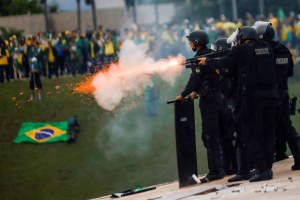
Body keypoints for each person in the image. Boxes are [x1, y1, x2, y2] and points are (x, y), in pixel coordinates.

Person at [198, 26, 278, 182]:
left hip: (254, 97)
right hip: (271, 95)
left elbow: (224, 62)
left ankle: (263, 170)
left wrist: (208, 61)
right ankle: (266, 167)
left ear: (242, 37)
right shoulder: (266, 47)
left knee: (249, 134)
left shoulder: (241, 50)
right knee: (268, 133)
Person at [176, 30, 225, 183]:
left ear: (197, 42)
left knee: (210, 137)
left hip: (209, 101)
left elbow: (195, 80)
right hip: (219, 99)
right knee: (220, 135)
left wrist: (183, 94)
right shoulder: (210, 54)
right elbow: (207, 77)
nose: (190, 43)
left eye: (191, 41)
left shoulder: (200, 58)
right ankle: (222, 168)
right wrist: (195, 92)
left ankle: (215, 172)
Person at [253, 21, 300, 170]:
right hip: (283, 93)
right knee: (287, 127)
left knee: (266, 129)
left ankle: (264, 167)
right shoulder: (284, 50)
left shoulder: (262, 51)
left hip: (270, 94)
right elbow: (290, 72)